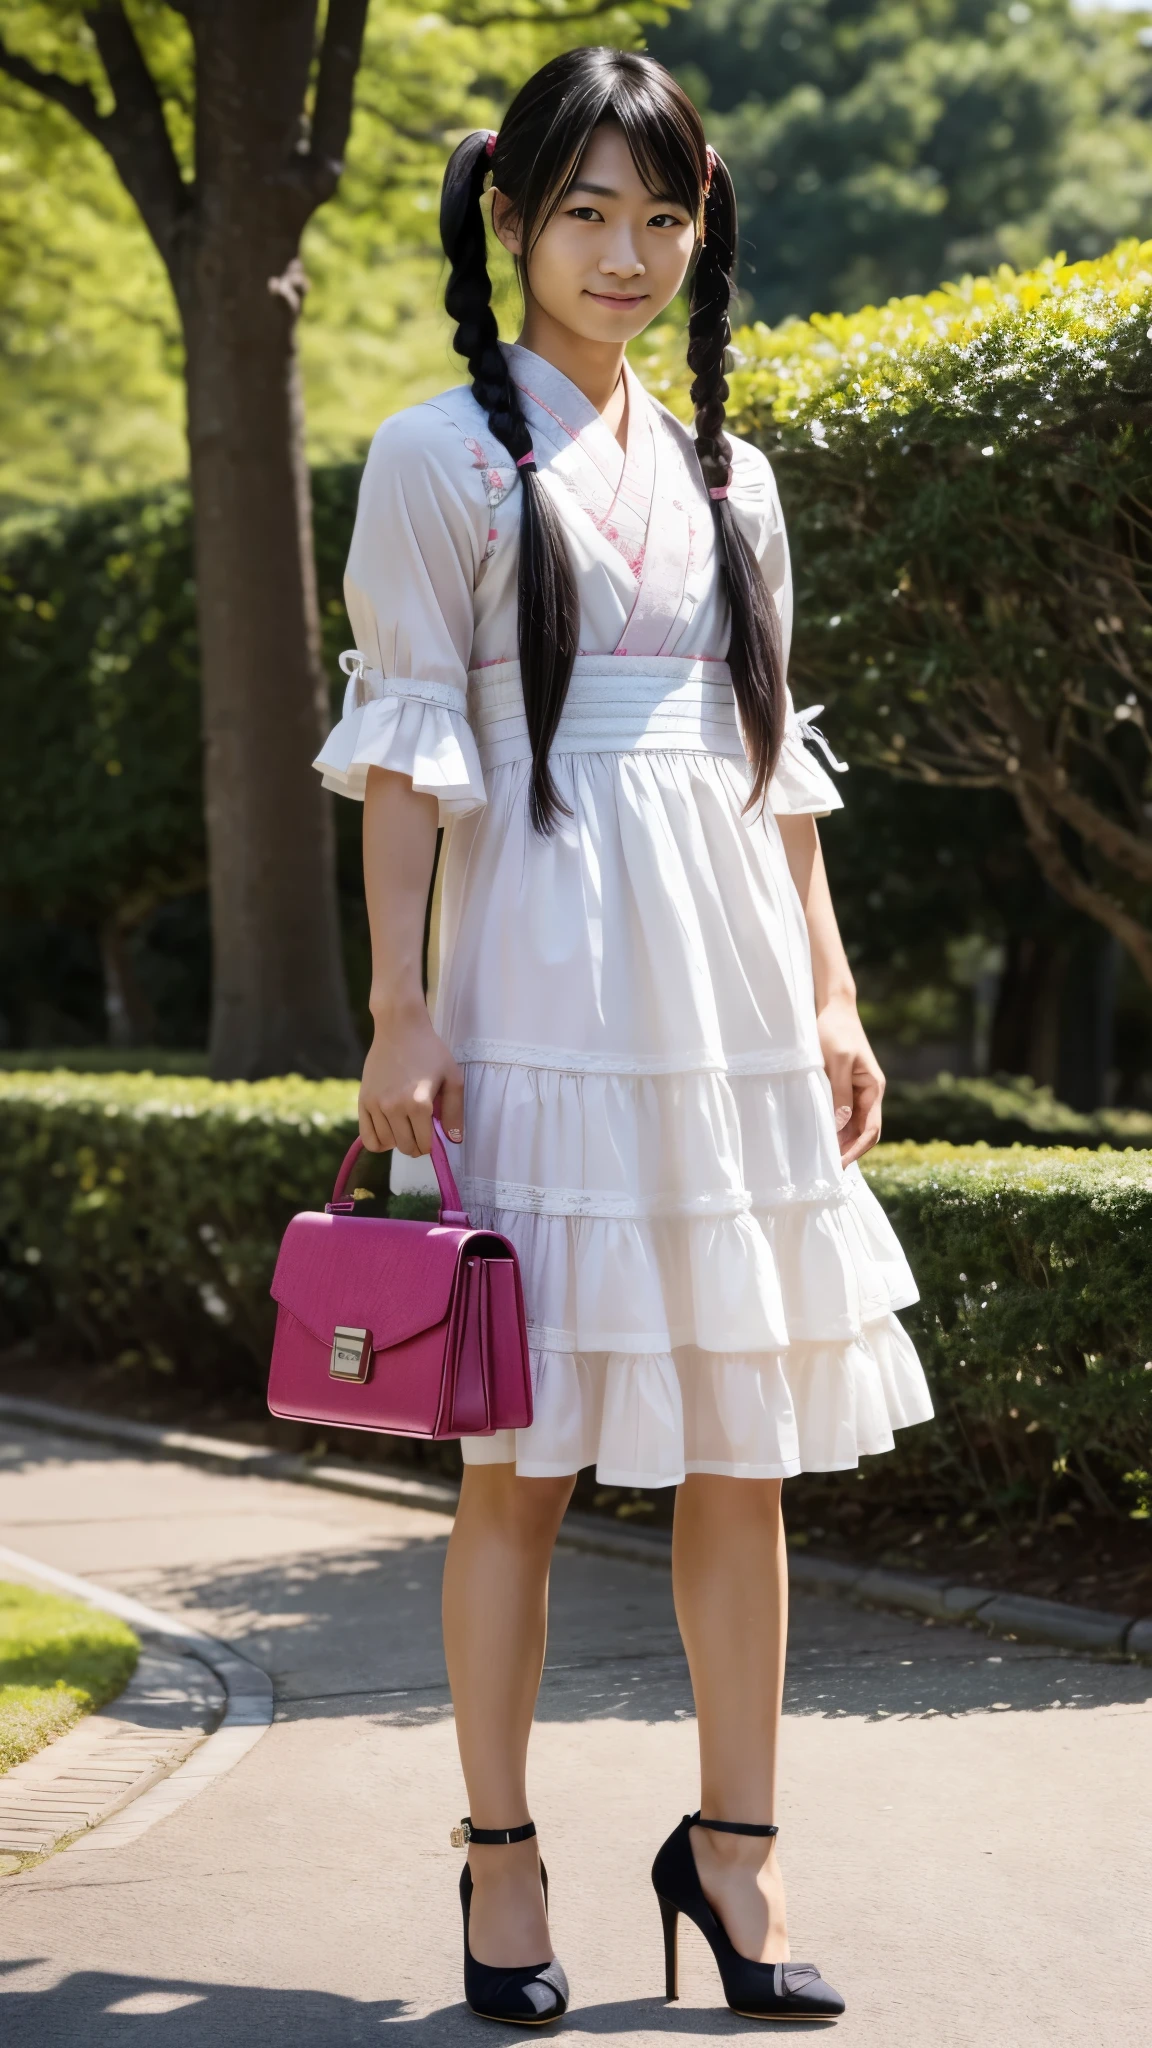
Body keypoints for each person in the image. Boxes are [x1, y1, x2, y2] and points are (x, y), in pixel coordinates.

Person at [315, 46, 933, 2027]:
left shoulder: (737, 480)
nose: (630, 250)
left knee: (739, 1451)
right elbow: (404, 764)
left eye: (664, 215)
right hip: (537, 991)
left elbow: (774, 770)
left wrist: (831, 991)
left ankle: (736, 1865)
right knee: (521, 1456)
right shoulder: (436, 452)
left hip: (732, 996)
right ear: (513, 219)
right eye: (588, 209)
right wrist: (399, 1008)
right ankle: (502, 1864)